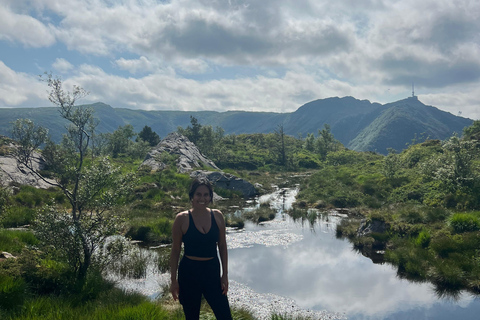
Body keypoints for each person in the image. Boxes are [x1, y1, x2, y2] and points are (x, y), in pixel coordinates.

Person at [170, 178, 233, 320]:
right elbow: (175, 251)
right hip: (189, 273)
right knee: (192, 317)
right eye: (198, 194)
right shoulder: (182, 218)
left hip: (212, 270)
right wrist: (174, 280)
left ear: (211, 197)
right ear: (192, 196)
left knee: (225, 316)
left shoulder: (217, 216)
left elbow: (222, 246)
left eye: (206, 194)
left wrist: (225, 275)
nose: (202, 198)